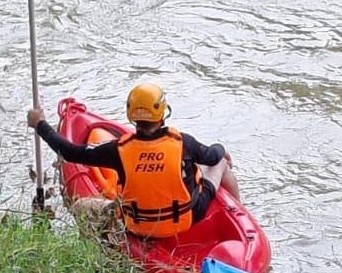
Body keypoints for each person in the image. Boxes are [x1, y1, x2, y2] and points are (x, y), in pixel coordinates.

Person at [26, 82, 239, 238]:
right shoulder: (184, 143)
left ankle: (100, 248)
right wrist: (221, 149)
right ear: (163, 114)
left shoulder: (118, 150)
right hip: (187, 218)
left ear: (131, 115)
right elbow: (212, 155)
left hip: (137, 226)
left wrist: (40, 125)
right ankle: (238, 214)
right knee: (219, 163)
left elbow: (71, 152)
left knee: (82, 206)